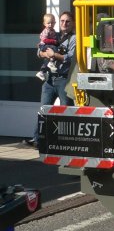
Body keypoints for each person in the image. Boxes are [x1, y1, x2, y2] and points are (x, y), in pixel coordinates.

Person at [25, 11, 76, 147]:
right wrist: (43, 53)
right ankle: (37, 139)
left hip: (64, 79)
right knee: (44, 110)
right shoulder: (54, 34)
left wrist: (55, 54)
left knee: (67, 111)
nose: (64, 24)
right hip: (49, 78)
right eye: (62, 21)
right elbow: (39, 50)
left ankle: (67, 141)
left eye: (67, 21)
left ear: (73, 23)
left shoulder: (74, 38)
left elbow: (70, 58)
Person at [35, 13, 59, 81]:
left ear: (55, 23)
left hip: (47, 45)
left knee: (47, 60)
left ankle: (42, 72)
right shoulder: (46, 31)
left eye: (52, 23)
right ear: (44, 23)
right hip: (44, 45)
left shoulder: (53, 31)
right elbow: (45, 40)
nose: (50, 25)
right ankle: (52, 62)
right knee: (54, 49)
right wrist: (54, 41)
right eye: (48, 23)